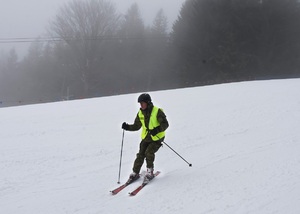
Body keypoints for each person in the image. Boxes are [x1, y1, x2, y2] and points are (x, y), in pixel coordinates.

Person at [122, 93, 169, 183]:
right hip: (146, 137)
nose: (141, 105)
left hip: (157, 138)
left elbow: (165, 124)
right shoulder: (140, 113)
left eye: (142, 103)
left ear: (148, 102)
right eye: (140, 103)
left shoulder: (157, 111)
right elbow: (137, 126)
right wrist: (127, 127)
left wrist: (157, 130)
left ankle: (150, 172)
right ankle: (135, 173)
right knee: (140, 154)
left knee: (149, 152)